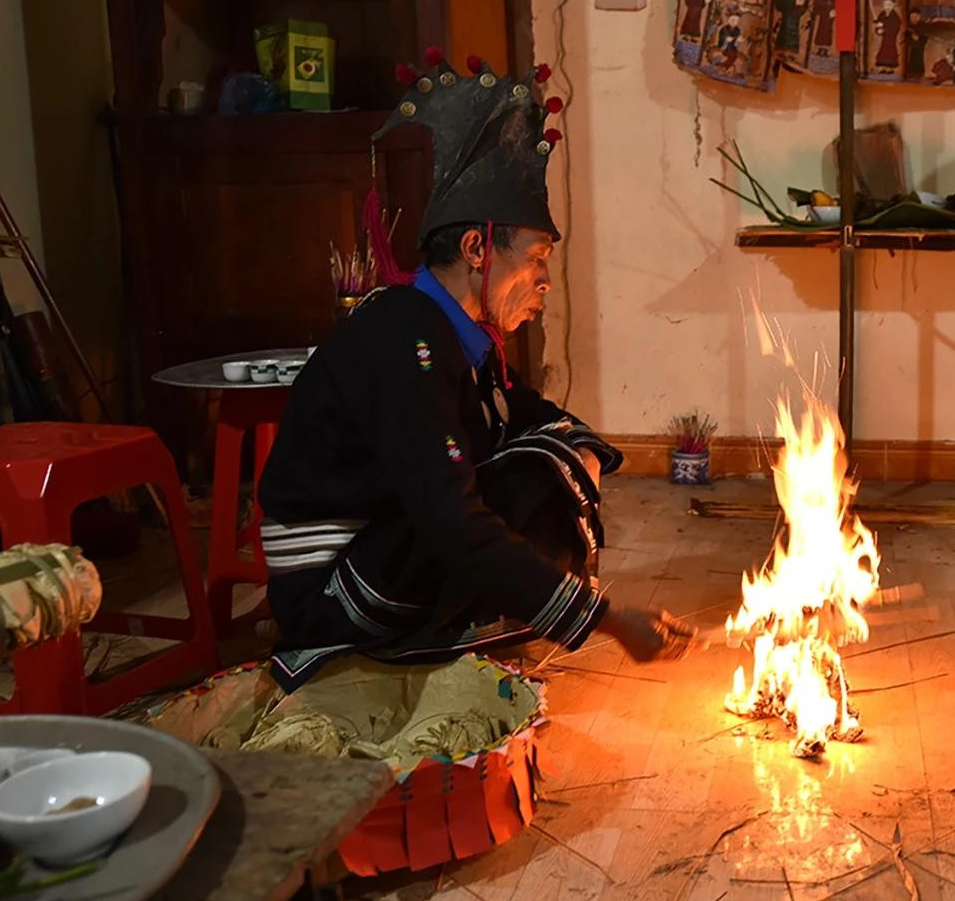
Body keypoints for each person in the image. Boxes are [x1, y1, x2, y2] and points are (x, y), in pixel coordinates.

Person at [256, 52, 694, 689]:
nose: (544, 281)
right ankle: (444, 629)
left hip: (377, 552)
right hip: (328, 591)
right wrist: (606, 620)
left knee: (548, 455)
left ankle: (476, 618)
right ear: (476, 248)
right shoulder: (405, 338)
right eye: (536, 259)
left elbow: (525, 413)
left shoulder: (457, 339)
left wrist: (583, 449)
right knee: (514, 486)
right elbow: (450, 521)